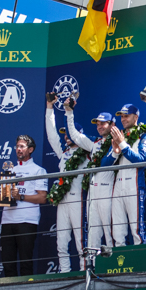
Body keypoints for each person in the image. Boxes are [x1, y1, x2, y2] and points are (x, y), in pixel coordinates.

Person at [45, 99, 90, 272]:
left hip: (79, 200)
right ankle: (64, 273)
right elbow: (51, 136)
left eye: (69, 134)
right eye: (64, 134)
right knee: (61, 240)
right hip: (62, 200)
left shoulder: (86, 154)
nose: (66, 136)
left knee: (80, 240)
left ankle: (84, 273)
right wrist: (49, 108)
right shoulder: (63, 153)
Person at [100, 104, 146, 247]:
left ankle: (142, 266)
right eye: (121, 116)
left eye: (126, 116)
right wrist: (115, 151)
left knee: (137, 230)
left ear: (136, 117)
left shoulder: (144, 135)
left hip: (134, 185)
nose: (123, 119)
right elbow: (104, 165)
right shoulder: (118, 136)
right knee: (117, 231)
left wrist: (122, 144)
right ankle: (120, 267)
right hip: (118, 186)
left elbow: (141, 160)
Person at [66, 107, 115, 249]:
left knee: (111, 231)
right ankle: (92, 268)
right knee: (93, 233)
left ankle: (117, 268)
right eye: (97, 124)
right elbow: (73, 135)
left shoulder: (118, 140)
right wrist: (69, 112)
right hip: (93, 192)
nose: (99, 127)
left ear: (112, 124)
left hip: (109, 190)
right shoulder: (94, 143)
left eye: (103, 123)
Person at [0, 136, 47, 278]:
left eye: (22, 147)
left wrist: (20, 197)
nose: (19, 149)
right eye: (17, 147)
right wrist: (4, 196)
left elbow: (42, 198)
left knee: (26, 262)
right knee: (8, 264)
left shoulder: (38, 170)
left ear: (30, 149)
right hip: (7, 220)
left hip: (27, 221)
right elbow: (1, 199)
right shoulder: (9, 170)